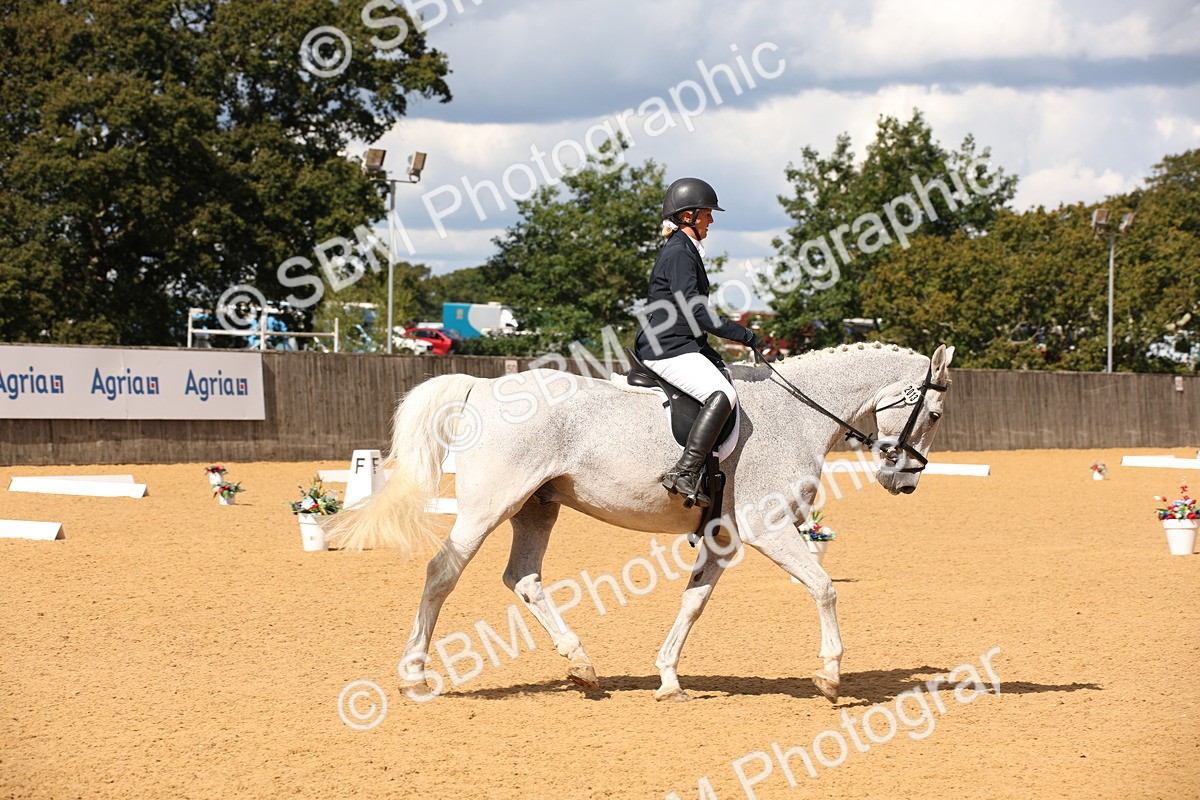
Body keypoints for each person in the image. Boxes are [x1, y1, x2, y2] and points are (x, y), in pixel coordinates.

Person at [633, 177, 760, 507]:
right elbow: (695, 310)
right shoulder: (679, 253)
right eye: (707, 213)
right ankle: (685, 471)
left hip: (679, 342)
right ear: (688, 215)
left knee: (724, 378)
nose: (711, 220)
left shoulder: (685, 250)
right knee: (723, 394)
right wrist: (742, 334)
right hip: (667, 348)